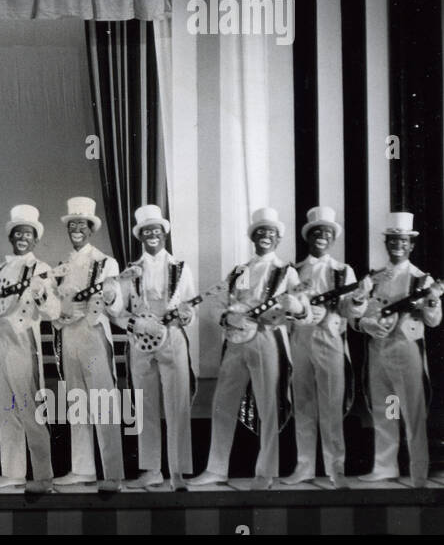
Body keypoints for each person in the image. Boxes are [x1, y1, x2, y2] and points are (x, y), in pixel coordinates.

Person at [189, 207, 308, 490]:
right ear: (253, 237)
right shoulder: (240, 270)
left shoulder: (287, 271)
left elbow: (303, 306)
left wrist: (296, 306)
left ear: (278, 239)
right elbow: (217, 301)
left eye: (271, 233)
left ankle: (265, 473)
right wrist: (225, 316)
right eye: (260, 232)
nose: (265, 236)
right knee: (222, 404)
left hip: (267, 339)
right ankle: (216, 470)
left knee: (268, 406)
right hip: (235, 342)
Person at [346, 212, 441, 487]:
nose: (397, 245)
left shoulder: (421, 281)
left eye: (402, 241)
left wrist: (433, 303)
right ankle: (385, 466)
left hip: (405, 350)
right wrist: (365, 324)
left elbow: (433, 322)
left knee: (412, 410)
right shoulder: (374, 277)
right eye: (392, 240)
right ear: (386, 243)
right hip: (379, 353)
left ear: (411, 246)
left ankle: (419, 470)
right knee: (387, 408)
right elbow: (356, 315)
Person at [107, 204, 195, 491]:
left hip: (172, 340)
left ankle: (178, 472)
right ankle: (151, 470)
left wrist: (186, 315)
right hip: (141, 343)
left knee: (178, 405)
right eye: (147, 231)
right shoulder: (130, 272)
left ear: (164, 233)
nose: (152, 234)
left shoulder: (181, 268)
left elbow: (190, 307)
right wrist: (134, 324)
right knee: (144, 406)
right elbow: (117, 312)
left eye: (156, 229)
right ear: (140, 236)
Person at [0, 205, 59, 494]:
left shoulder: (42, 269)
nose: (22, 237)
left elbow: (54, 311)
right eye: (18, 232)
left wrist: (41, 295)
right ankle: (12, 472)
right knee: (5, 409)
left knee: (28, 407)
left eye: (28, 234)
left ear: (35, 240)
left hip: (21, 342)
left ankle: (44, 475)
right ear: (11, 237)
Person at [50, 197, 124, 492]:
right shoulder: (62, 265)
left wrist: (110, 296)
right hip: (69, 336)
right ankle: (82, 469)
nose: (77, 229)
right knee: (77, 402)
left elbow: (116, 307)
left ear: (91, 229)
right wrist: (58, 313)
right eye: (73, 224)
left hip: (93, 335)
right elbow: (54, 304)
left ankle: (113, 474)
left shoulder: (106, 263)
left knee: (103, 402)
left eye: (82, 224)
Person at [284, 206, 359, 488]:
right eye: (316, 232)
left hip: (330, 340)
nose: (321, 237)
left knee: (331, 405)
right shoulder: (295, 270)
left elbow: (352, 310)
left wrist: (357, 299)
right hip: (301, 341)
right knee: (302, 404)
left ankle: (335, 469)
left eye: (326, 233)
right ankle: (304, 467)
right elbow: (287, 308)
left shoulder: (343, 271)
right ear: (308, 237)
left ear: (333, 238)